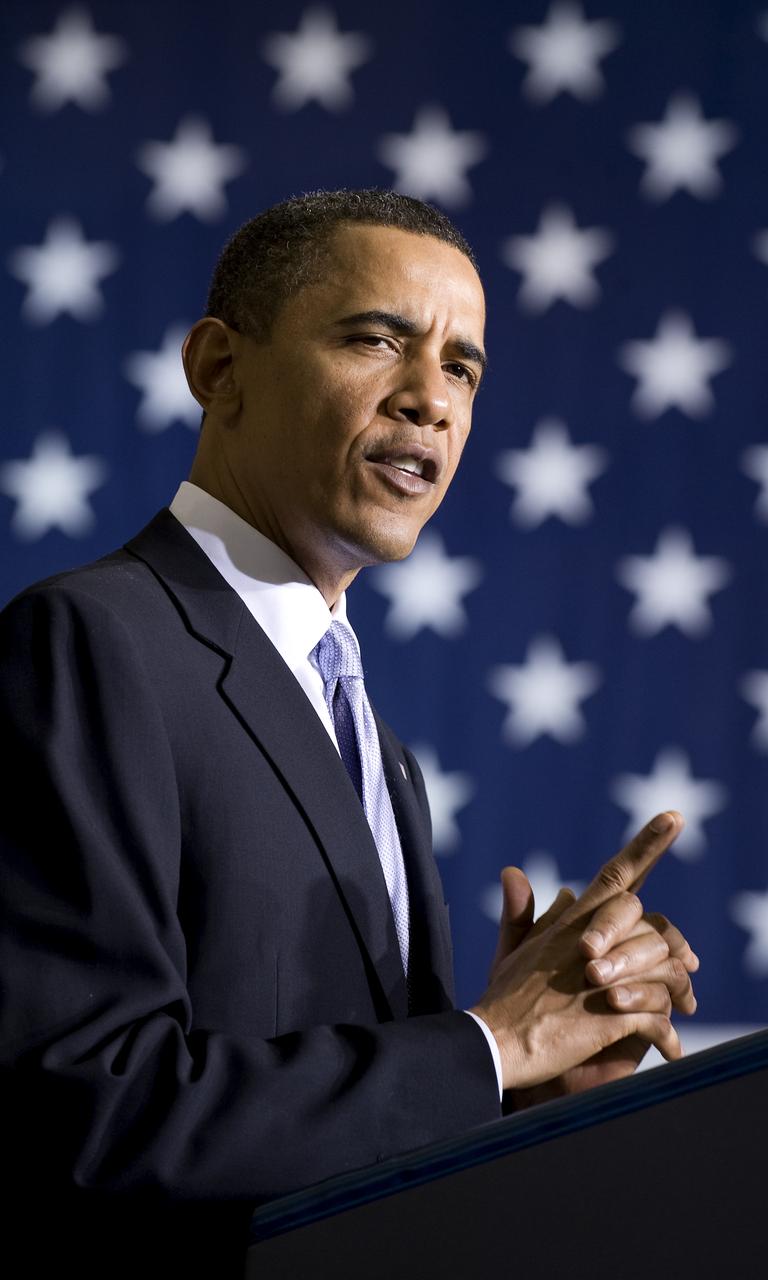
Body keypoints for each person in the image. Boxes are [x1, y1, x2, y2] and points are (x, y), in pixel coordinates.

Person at [0, 190, 697, 1273]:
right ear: (218, 368)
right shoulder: (94, 641)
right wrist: (483, 1042)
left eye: (463, 368)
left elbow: (346, 1147)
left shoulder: (375, 741)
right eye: (378, 339)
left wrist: (523, 1084)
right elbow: (85, 1105)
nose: (432, 400)